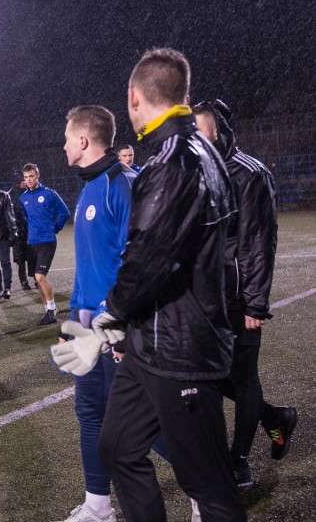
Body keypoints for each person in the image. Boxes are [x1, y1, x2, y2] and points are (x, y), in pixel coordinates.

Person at [92, 48, 246, 521]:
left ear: (133, 98)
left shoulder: (173, 159)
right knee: (118, 447)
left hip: (180, 349)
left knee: (210, 487)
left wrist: (108, 316)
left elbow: (148, 260)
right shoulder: (204, 150)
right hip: (153, 342)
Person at [194, 99, 297, 486]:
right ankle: (275, 418)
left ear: (218, 131)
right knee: (207, 375)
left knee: (242, 376)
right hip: (204, 297)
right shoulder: (198, 173)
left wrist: (255, 302)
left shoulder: (250, 173)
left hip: (238, 297)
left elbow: (259, 241)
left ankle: (238, 459)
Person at [55, 106, 137, 522]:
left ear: (84, 141)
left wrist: (116, 330)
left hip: (117, 331)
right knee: (89, 414)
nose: (65, 144)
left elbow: (137, 265)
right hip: (88, 331)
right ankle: (98, 506)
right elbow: (88, 268)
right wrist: (72, 326)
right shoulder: (88, 187)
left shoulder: (121, 185)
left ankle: (205, 493)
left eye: (68, 137)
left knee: (144, 426)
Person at [19, 163, 71, 325]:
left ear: (38, 176)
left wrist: (55, 228)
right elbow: (27, 218)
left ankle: (51, 309)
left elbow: (65, 213)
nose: (29, 180)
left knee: (40, 276)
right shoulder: (23, 198)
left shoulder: (50, 194)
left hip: (47, 240)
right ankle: (47, 310)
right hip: (31, 241)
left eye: (31, 176)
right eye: (26, 177)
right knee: (37, 278)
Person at [9, 173, 36, 290]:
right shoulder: (9, 195)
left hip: (29, 230)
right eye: (22, 180)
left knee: (32, 256)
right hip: (17, 232)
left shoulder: (29, 193)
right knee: (20, 259)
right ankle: (23, 281)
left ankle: (36, 278)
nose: (25, 182)